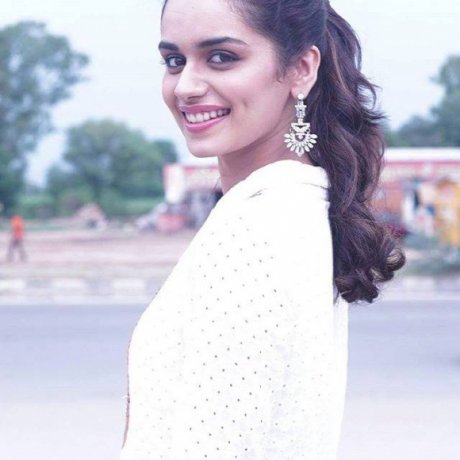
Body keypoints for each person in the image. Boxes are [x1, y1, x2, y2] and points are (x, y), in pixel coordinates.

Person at [120, 0, 405, 458]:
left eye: (221, 57)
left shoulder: (259, 228)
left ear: (300, 69)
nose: (186, 86)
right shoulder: (295, 204)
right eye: (174, 60)